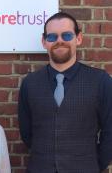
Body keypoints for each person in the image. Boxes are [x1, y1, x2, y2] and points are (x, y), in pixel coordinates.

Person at [18, 12, 112, 173]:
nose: (59, 41)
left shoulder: (100, 81)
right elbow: (27, 133)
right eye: (52, 37)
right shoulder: (30, 83)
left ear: (79, 38)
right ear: (44, 41)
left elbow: (110, 131)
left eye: (67, 35)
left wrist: (95, 165)